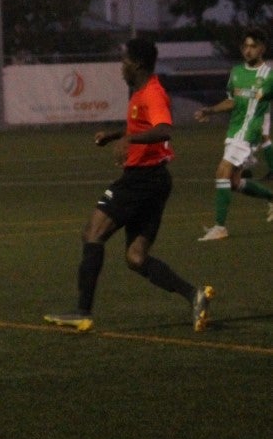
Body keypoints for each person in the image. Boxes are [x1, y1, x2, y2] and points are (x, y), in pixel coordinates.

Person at [45, 37, 213, 333]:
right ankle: (194, 294)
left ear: (137, 64)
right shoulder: (140, 93)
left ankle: (82, 312)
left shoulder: (152, 93)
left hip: (142, 180)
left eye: (124, 61)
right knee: (136, 258)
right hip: (154, 181)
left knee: (92, 233)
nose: (121, 67)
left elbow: (163, 130)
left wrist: (130, 140)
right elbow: (141, 127)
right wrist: (115, 135)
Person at [193, 28, 273, 240]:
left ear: (262, 49)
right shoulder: (236, 72)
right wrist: (209, 110)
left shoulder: (269, 75)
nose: (248, 50)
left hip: (250, 132)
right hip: (235, 131)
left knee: (222, 172)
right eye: (245, 46)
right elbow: (232, 100)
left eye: (253, 46)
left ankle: (220, 227)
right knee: (234, 182)